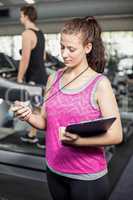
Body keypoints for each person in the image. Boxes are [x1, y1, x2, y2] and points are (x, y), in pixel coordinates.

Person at [12, 16, 123, 200]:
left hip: (86, 176)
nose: (64, 54)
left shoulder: (99, 84)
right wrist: (28, 115)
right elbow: (45, 122)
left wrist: (78, 141)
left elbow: (116, 135)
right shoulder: (53, 78)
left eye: (71, 49)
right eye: (62, 46)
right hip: (54, 169)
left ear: (87, 48)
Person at [17, 5, 47, 148]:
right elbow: (43, 56)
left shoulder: (27, 33)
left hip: (34, 77)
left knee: (39, 109)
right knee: (38, 108)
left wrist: (19, 78)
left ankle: (49, 139)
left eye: (21, 15)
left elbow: (25, 58)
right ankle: (32, 135)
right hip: (42, 75)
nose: (20, 18)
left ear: (26, 15)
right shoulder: (40, 33)